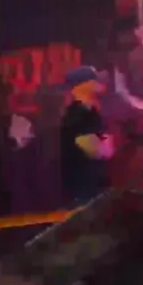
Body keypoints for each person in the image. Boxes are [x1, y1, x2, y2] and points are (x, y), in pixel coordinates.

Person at [58, 66, 115, 206]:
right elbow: (98, 150)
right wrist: (105, 143)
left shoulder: (89, 112)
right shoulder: (78, 114)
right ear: (83, 86)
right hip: (84, 194)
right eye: (94, 80)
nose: (99, 83)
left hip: (93, 190)